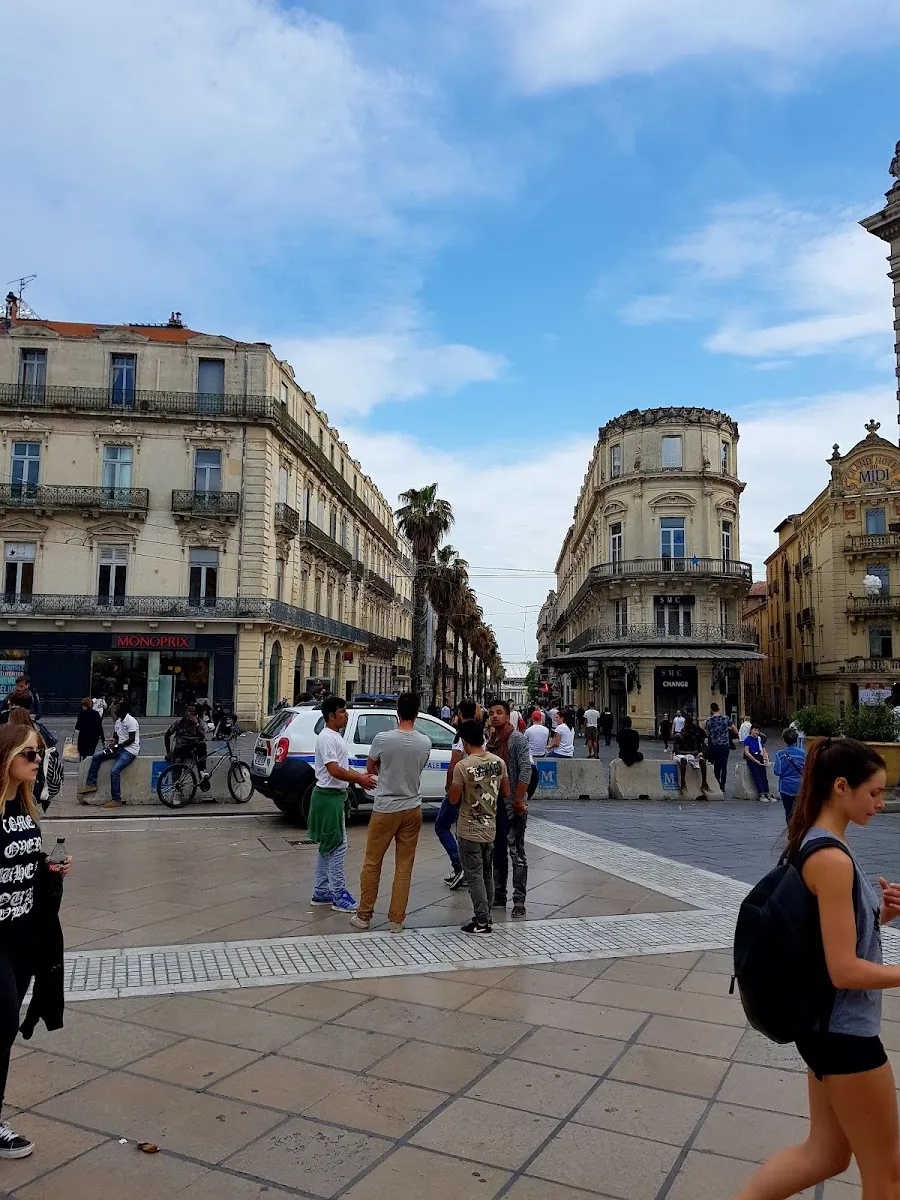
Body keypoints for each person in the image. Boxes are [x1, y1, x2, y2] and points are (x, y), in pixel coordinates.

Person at [733, 738, 900, 1200]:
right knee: (889, 1178)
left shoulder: (818, 841)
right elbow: (844, 970)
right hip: (846, 1036)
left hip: (825, 1031)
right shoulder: (831, 858)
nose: (881, 804)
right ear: (841, 787)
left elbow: (829, 935)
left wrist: (879, 915)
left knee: (826, 1154)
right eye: (874, 793)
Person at [0, 722, 72, 1159]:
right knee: (5, 1020)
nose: (37, 760)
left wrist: (49, 868)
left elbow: (25, 859)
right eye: (29, 754)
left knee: (2, 1031)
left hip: (24, 934)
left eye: (40, 753)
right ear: (5, 757)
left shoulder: (25, 807)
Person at [350, 693, 431, 933]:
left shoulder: (383, 739)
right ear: (417, 712)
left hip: (385, 807)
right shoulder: (424, 742)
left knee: (373, 862)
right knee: (404, 865)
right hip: (412, 807)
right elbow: (420, 766)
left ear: (398, 711)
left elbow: (370, 767)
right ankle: (397, 919)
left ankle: (364, 915)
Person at [309, 698, 376, 912]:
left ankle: (321, 891)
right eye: (342, 712)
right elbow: (334, 770)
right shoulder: (327, 738)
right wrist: (360, 779)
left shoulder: (333, 737)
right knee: (338, 846)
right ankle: (338, 895)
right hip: (329, 797)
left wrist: (358, 776)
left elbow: (340, 769)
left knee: (328, 846)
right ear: (331, 716)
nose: (346, 715)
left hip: (332, 796)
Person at [447, 719, 509, 935]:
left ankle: (482, 921)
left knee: (473, 876)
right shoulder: (499, 762)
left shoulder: (462, 767)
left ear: (464, 742)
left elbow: (453, 799)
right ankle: (487, 915)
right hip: (489, 827)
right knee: (486, 874)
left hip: (469, 828)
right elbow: (506, 793)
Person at [487, 700, 531, 919]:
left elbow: (525, 770)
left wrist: (518, 798)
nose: (495, 716)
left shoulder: (517, 740)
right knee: (497, 850)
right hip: (495, 805)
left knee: (516, 852)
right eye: (491, 713)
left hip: (513, 804)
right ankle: (499, 894)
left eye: (499, 713)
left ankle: (519, 899)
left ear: (507, 716)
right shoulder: (491, 742)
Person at [436, 700, 480, 891]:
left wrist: (449, 785)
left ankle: (459, 865)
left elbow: (453, 763)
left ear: (460, 713)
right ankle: (467, 868)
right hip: (476, 788)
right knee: (463, 829)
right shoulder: (480, 732)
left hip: (460, 786)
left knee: (441, 826)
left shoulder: (461, 734)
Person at [79, 700, 140, 808]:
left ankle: (116, 799)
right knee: (97, 756)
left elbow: (131, 739)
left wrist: (118, 746)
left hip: (130, 751)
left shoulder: (131, 721)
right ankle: (91, 784)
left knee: (114, 771)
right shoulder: (117, 722)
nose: (115, 710)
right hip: (118, 748)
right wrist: (113, 745)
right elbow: (116, 737)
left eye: (117, 708)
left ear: (123, 710)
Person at [164, 705, 208, 780]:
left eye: (192, 712)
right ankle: (177, 782)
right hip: (182, 747)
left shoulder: (200, 722)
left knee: (203, 746)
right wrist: (168, 752)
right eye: (188, 711)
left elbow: (203, 736)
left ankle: (201, 772)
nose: (189, 714)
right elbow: (167, 735)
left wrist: (196, 725)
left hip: (195, 746)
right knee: (178, 761)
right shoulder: (179, 722)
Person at [774, 727, 807, 823]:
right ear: (796, 740)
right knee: (799, 811)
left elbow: (777, 771)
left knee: (788, 811)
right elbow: (807, 769)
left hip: (785, 787)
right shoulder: (803, 753)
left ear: (784, 740)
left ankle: (791, 832)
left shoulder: (780, 754)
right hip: (799, 786)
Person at [704, 702, 738, 792]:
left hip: (714, 746)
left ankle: (717, 783)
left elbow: (707, 733)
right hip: (724, 745)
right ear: (719, 709)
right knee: (724, 766)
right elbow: (735, 731)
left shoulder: (709, 720)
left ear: (711, 710)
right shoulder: (726, 718)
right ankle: (723, 785)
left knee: (716, 766)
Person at [673, 715, 710, 793]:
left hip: (689, 755)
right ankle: (683, 783)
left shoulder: (692, 736)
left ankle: (704, 783)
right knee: (683, 760)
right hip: (679, 755)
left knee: (702, 761)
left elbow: (695, 748)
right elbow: (677, 751)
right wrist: (691, 752)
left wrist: (700, 753)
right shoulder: (679, 736)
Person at [744, 723, 772, 802]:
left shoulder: (759, 739)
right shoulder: (747, 739)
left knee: (764, 776)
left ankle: (767, 793)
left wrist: (764, 758)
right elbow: (746, 752)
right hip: (752, 758)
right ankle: (761, 794)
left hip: (760, 757)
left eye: (758, 730)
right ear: (751, 730)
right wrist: (754, 760)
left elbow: (763, 749)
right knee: (757, 776)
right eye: (755, 730)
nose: (756, 732)